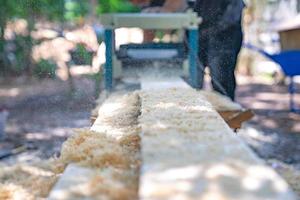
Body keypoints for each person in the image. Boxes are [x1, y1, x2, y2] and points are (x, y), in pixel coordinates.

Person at [143, 0, 245, 100]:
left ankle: (226, 113)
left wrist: (167, 10)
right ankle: (194, 109)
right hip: (198, 25)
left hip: (225, 22)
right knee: (193, 79)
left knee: (220, 77)